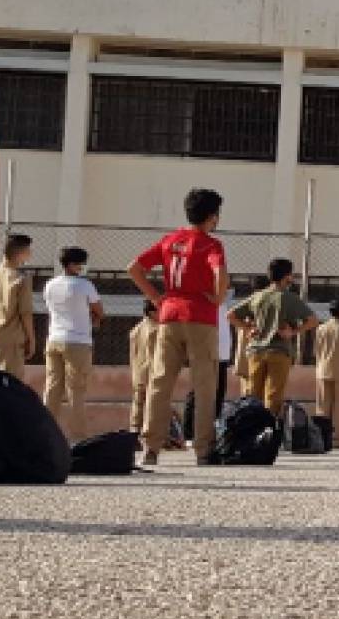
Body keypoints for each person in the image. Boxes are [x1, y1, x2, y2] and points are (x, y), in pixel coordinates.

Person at [129, 188, 229, 467]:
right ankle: (202, 448)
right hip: (200, 316)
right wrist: (219, 298)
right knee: (204, 385)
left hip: (170, 314)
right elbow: (219, 273)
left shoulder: (169, 240)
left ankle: (151, 446)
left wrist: (156, 297)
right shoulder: (211, 244)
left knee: (160, 382)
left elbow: (134, 268)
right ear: (212, 217)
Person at [229, 258, 317, 419]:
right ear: (287, 277)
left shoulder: (258, 297)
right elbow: (312, 320)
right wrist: (294, 331)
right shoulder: (289, 298)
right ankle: (269, 432)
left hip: (256, 351)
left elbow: (232, 315)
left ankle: (251, 431)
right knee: (274, 396)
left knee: (253, 396)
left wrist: (248, 328)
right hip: (279, 351)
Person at [39, 246, 102, 441]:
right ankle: (78, 437)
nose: (83, 267)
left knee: (52, 388)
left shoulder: (50, 284)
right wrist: (94, 317)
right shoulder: (84, 285)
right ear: (73, 265)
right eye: (81, 264)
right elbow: (98, 309)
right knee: (76, 390)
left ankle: (44, 433)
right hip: (77, 341)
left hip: (54, 338)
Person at [0, 233, 36, 380]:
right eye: (29, 250)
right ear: (22, 253)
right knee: (11, 383)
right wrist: (31, 339)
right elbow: (25, 312)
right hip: (12, 339)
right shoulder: (21, 279)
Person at [313, 300, 339, 447]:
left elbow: (316, 351)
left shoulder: (321, 329)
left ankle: (320, 438)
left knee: (322, 406)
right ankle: (337, 439)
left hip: (322, 370)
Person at [127, 299, 160, 442]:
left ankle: (134, 432)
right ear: (152, 313)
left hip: (138, 371)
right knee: (150, 404)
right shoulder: (155, 330)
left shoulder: (136, 329)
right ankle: (150, 435)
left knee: (138, 403)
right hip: (150, 371)